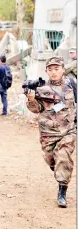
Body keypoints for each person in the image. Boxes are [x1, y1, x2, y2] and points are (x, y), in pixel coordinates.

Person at [25, 56, 76, 208]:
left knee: (63, 158)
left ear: (63, 70)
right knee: (51, 160)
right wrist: (31, 99)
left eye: (57, 69)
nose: (54, 72)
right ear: (46, 71)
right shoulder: (41, 89)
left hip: (68, 131)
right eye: (50, 69)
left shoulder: (72, 85)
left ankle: (62, 191)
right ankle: (58, 169)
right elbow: (36, 110)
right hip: (48, 133)